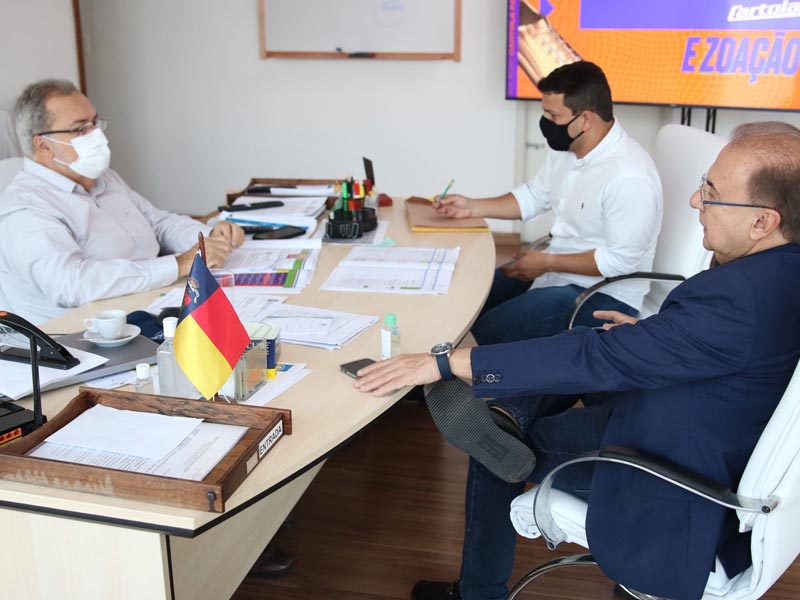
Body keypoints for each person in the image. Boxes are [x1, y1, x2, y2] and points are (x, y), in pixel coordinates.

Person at [353, 130, 800, 600]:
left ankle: (479, 590)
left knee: (498, 447)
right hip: (695, 415)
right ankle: (506, 413)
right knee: (588, 337)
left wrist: (445, 362)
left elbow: (607, 359)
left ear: (763, 221)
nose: (694, 200)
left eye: (711, 193)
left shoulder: (740, 299)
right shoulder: (776, 272)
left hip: (666, 475)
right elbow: (731, 348)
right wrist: (660, 335)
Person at [437, 62, 662, 345]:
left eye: (553, 115)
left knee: (484, 332)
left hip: (602, 294)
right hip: (556, 270)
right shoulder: (569, 146)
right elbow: (535, 195)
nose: (546, 122)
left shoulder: (629, 177)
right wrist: (472, 207)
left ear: (585, 119)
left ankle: (475, 373)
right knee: (466, 297)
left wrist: (547, 262)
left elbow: (619, 261)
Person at [0, 78, 244, 324]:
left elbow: (158, 223)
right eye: (81, 128)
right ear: (43, 145)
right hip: (90, 332)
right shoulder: (25, 209)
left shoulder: (103, 178)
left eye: (95, 123)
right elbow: (72, 284)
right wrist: (178, 265)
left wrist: (209, 237)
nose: (96, 135)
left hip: (154, 301)